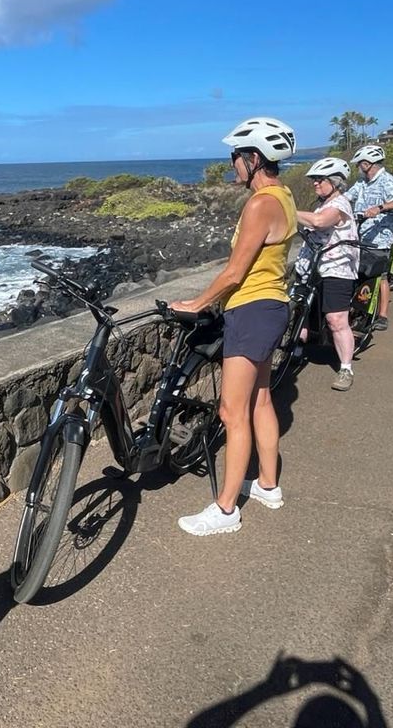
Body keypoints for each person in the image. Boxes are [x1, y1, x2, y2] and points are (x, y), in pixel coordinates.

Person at [172, 117, 297, 536]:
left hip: (251, 310)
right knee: (261, 401)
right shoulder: (285, 196)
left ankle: (226, 510)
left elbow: (234, 272)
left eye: (236, 158)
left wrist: (196, 302)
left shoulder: (261, 204)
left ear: (254, 158)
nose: (232, 165)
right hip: (272, 306)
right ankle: (267, 485)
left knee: (231, 410)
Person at [294, 157, 359, 391]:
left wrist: (286, 208)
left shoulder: (340, 204)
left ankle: (345, 368)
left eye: (320, 180)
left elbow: (320, 222)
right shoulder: (321, 203)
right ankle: (296, 351)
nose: (315, 184)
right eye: (314, 180)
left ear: (335, 182)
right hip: (312, 267)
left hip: (337, 269)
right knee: (301, 310)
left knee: (336, 320)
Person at [347, 145, 393, 330]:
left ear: (367, 163)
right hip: (359, 234)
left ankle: (382, 315)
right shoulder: (363, 182)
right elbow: (349, 196)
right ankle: (356, 307)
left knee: (381, 276)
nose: (358, 167)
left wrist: (379, 208)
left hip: (379, 237)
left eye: (359, 164)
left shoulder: (387, 181)